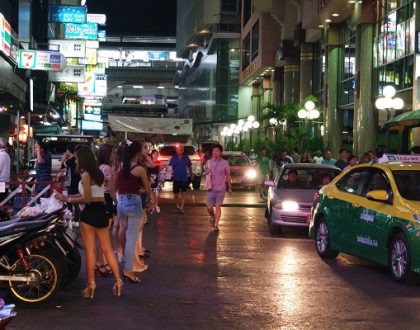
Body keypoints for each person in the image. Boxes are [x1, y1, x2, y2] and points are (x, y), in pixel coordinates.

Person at [55, 145, 122, 299]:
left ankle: (91, 285)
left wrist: (67, 198)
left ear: (82, 158)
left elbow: (87, 199)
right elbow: (92, 195)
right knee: (108, 249)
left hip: (89, 214)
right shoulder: (98, 173)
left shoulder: (85, 175)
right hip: (102, 212)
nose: (76, 161)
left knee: (90, 251)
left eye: (77, 158)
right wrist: (69, 197)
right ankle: (119, 281)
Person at [116, 140, 154, 283]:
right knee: (132, 239)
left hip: (121, 203)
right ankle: (128, 270)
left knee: (124, 233)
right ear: (137, 154)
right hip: (133, 204)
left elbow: (120, 184)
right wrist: (152, 199)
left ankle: (123, 258)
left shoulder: (120, 167)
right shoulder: (139, 169)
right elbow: (148, 187)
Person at [96, 143, 117, 276]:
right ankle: (102, 263)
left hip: (98, 199)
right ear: (108, 155)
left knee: (100, 236)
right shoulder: (108, 168)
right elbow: (111, 189)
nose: (114, 155)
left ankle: (100, 262)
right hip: (106, 200)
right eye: (112, 153)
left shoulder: (99, 167)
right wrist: (117, 202)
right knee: (104, 236)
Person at [205, 144, 231, 231]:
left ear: (220, 152)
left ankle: (216, 225)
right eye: (214, 151)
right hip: (210, 188)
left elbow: (228, 176)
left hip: (221, 188)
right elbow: (204, 172)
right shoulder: (209, 162)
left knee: (218, 206)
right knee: (209, 207)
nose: (215, 153)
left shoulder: (225, 163)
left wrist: (229, 187)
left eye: (217, 151)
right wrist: (206, 171)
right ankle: (212, 216)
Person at [169, 144, 192, 214]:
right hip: (176, 178)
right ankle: (178, 206)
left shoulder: (186, 157)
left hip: (184, 178)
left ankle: (181, 208)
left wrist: (192, 174)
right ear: (176, 150)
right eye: (178, 149)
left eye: (181, 149)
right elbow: (170, 167)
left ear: (183, 150)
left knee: (183, 193)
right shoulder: (174, 157)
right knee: (175, 194)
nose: (179, 151)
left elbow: (189, 166)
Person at [61, 143, 81, 223]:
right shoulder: (72, 159)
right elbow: (62, 166)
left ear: (69, 151)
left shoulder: (73, 160)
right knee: (71, 201)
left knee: (73, 201)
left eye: (67, 151)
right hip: (71, 183)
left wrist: (64, 157)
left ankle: (74, 219)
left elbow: (63, 164)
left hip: (73, 183)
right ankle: (72, 218)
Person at [0, 138, 11, 203]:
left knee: (1, 201)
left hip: (1, 183)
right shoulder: (6, 155)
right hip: (4, 182)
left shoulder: (1, 155)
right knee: (2, 201)